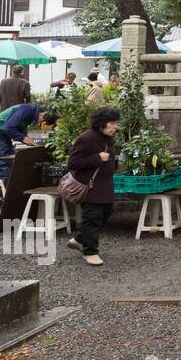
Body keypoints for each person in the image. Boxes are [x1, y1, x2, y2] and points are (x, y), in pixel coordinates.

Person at [67, 106, 119, 266]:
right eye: (112, 123)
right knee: (92, 218)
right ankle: (90, 251)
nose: (115, 126)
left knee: (106, 212)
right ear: (102, 123)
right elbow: (73, 163)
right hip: (91, 187)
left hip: (104, 185)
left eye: (116, 123)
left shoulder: (107, 138)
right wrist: (97, 158)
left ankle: (79, 239)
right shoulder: (87, 138)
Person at [0, 101, 51, 180]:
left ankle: (7, 190)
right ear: (42, 114)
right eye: (42, 121)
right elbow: (7, 128)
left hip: (3, 137)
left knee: (10, 164)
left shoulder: (30, 114)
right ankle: (0, 191)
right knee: (2, 166)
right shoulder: (26, 110)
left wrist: (25, 137)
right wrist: (23, 138)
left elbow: (18, 126)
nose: (40, 123)